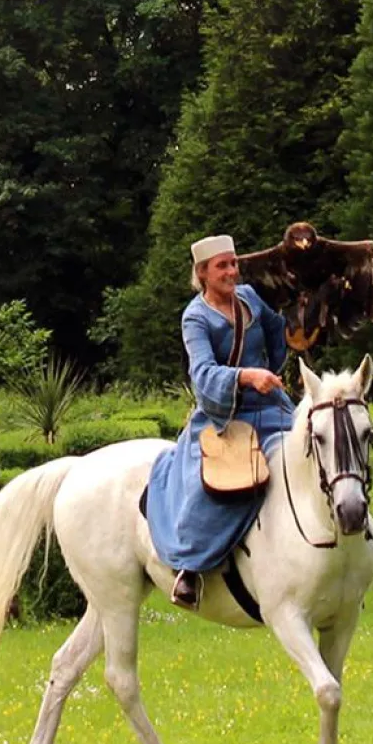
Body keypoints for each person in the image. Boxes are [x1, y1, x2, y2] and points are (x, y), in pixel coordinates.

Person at [145, 234, 296, 610]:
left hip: (272, 408)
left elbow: (279, 339)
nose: (232, 272)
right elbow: (202, 373)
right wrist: (246, 376)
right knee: (212, 484)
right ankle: (190, 569)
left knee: (320, 450)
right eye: (222, 266)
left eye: (233, 263)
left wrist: (299, 325)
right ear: (203, 273)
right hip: (223, 416)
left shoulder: (250, 298)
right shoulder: (195, 317)